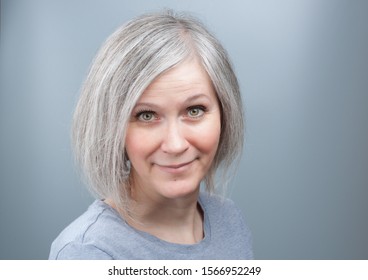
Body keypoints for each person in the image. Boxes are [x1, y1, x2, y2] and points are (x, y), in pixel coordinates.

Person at [49, 10, 253, 260]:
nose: (175, 144)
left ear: (225, 113)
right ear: (113, 127)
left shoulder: (228, 219)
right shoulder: (87, 253)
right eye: (147, 116)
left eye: (194, 110)